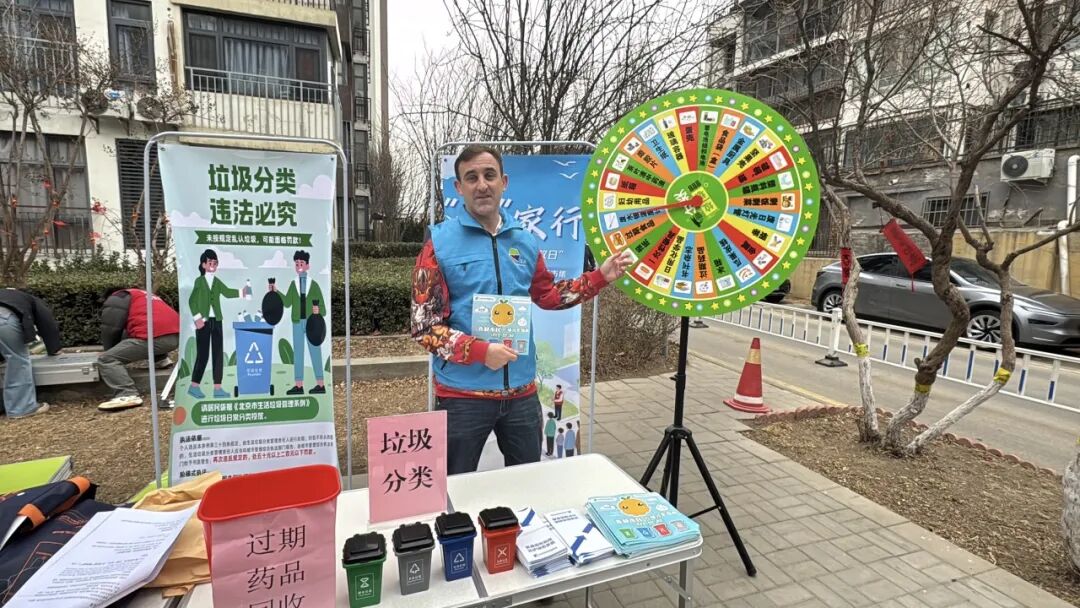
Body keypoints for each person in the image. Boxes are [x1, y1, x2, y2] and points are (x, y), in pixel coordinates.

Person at [411, 145, 633, 475]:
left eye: (489, 175)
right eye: (471, 177)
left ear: (504, 182)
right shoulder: (438, 244)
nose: (482, 185)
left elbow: (549, 296)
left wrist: (600, 277)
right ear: (458, 187)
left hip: (521, 394)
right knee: (454, 486)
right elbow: (423, 326)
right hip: (461, 397)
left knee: (528, 482)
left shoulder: (525, 241)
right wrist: (480, 352)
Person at [96, 288, 180, 411]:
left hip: (155, 339)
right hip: (175, 337)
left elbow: (111, 328)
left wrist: (109, 351)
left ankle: (127, 394)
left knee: (107, 359)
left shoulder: (117, 297)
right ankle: (161, 360)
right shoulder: (143, 295)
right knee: (136, 332)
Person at [0, 288, 60, 419]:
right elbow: (48, 325)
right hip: (4, 318)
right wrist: (53, 349)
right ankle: (21, 408)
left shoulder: (4, 294)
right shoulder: (31, 299)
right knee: (18, 360)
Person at [188, 249, 238, 399]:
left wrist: (242, 292)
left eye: (215, 263)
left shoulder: (217, 282)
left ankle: (218, 388)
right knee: (202, 354)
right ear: (204, 264)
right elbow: (192, 301)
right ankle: (194, 386)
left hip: (217, 320)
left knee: (218, 354)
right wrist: (197, 318)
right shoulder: (199, 281)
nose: (213, 265)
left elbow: (228, 292)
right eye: (210, 262)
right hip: (203, 322)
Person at [274, 250, 326, 395]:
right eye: (297, 264)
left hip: (311, 323)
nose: (299, 266)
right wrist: (276, 291)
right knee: (298, 353)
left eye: (301, 263)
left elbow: (323, 309)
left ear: (308, 266)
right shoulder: (293, 284)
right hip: (297, 322)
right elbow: (287, 303)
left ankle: (320, 384)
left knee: (315, 350)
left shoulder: (314, 285)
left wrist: (318, 310)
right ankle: (298, 385)